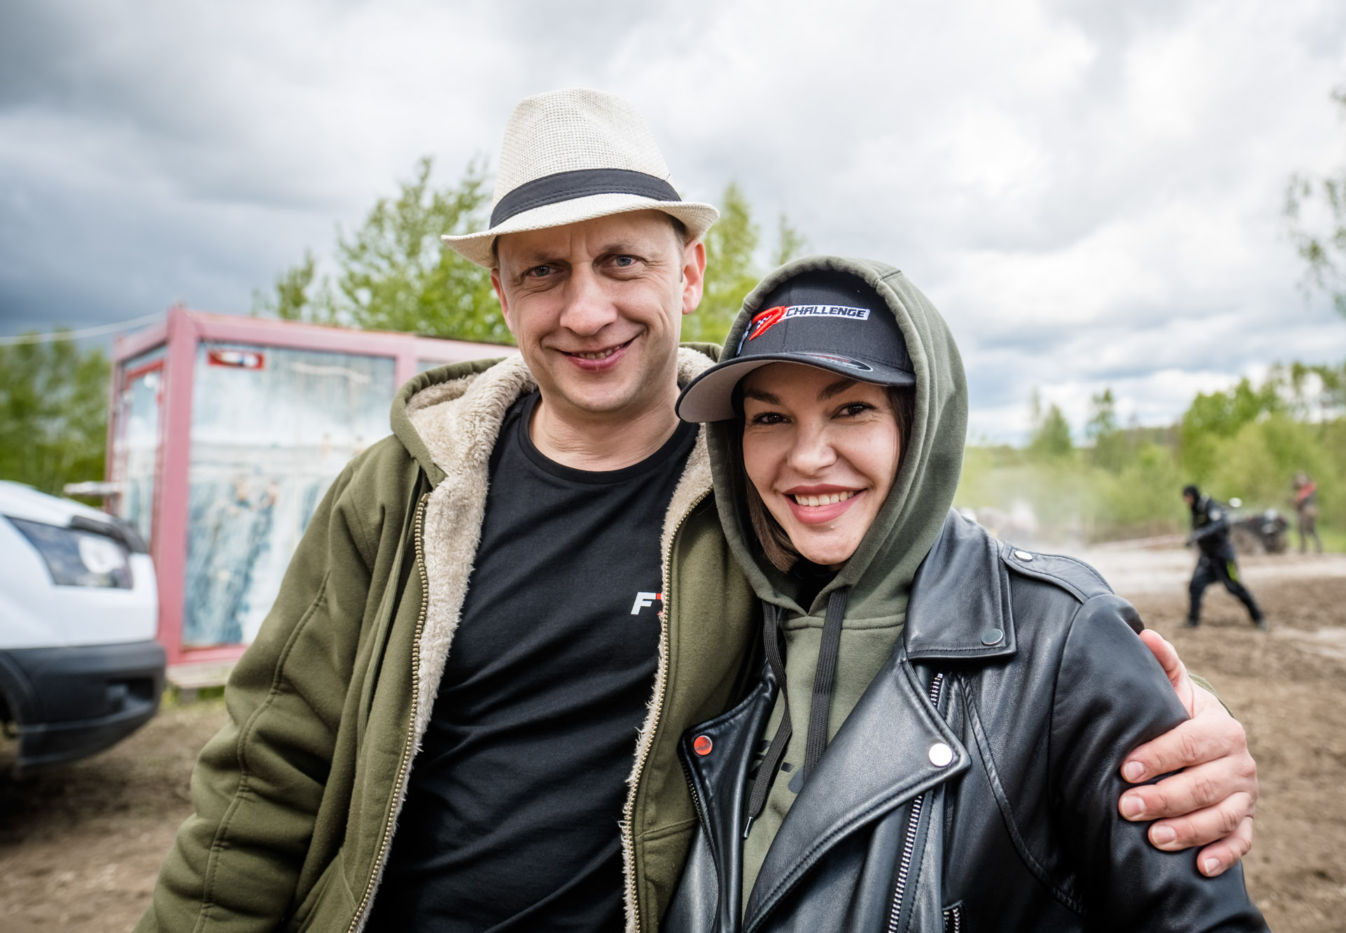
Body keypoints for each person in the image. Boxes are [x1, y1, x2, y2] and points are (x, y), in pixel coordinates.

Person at [137, 89, 1259, 932]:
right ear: (500, 293)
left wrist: (1160, 723)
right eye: (541, 272)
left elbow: (942, 590)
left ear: (688, 273)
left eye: (621, 261)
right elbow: (264, 773)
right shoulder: (401, 491)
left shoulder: (764, 482)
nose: (586, 310)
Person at [664, 258, 1267, 930]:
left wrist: (1157, 702)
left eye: (852, 408)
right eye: (770, 417)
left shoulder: (1059, 639)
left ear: (922, 423)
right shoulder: (723, 626)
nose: (807, 456)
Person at [1183, 484, 1267, 631]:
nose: (1186, 501)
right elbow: (1197, 531)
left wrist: (1201, 533)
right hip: (1207, 558)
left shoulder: (1210, 506)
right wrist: (1192, 538)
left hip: (1224, 557)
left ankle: (1258, 618)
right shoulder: (1195, 510)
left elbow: (1220, 523)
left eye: (1187, 497)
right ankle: (1193, 621)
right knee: (1195, 585)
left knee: (1235, 587)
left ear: (1193, 495)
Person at [1293, 471, 1322, 553]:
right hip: (1311, 510)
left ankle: (1304, 547)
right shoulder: (1310, 487)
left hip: (1306, 510)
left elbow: (1301, 499)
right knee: (1311, 529)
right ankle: (1317, 546)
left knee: (1302, 528)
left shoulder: (1307, 488)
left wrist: (1295, 502)